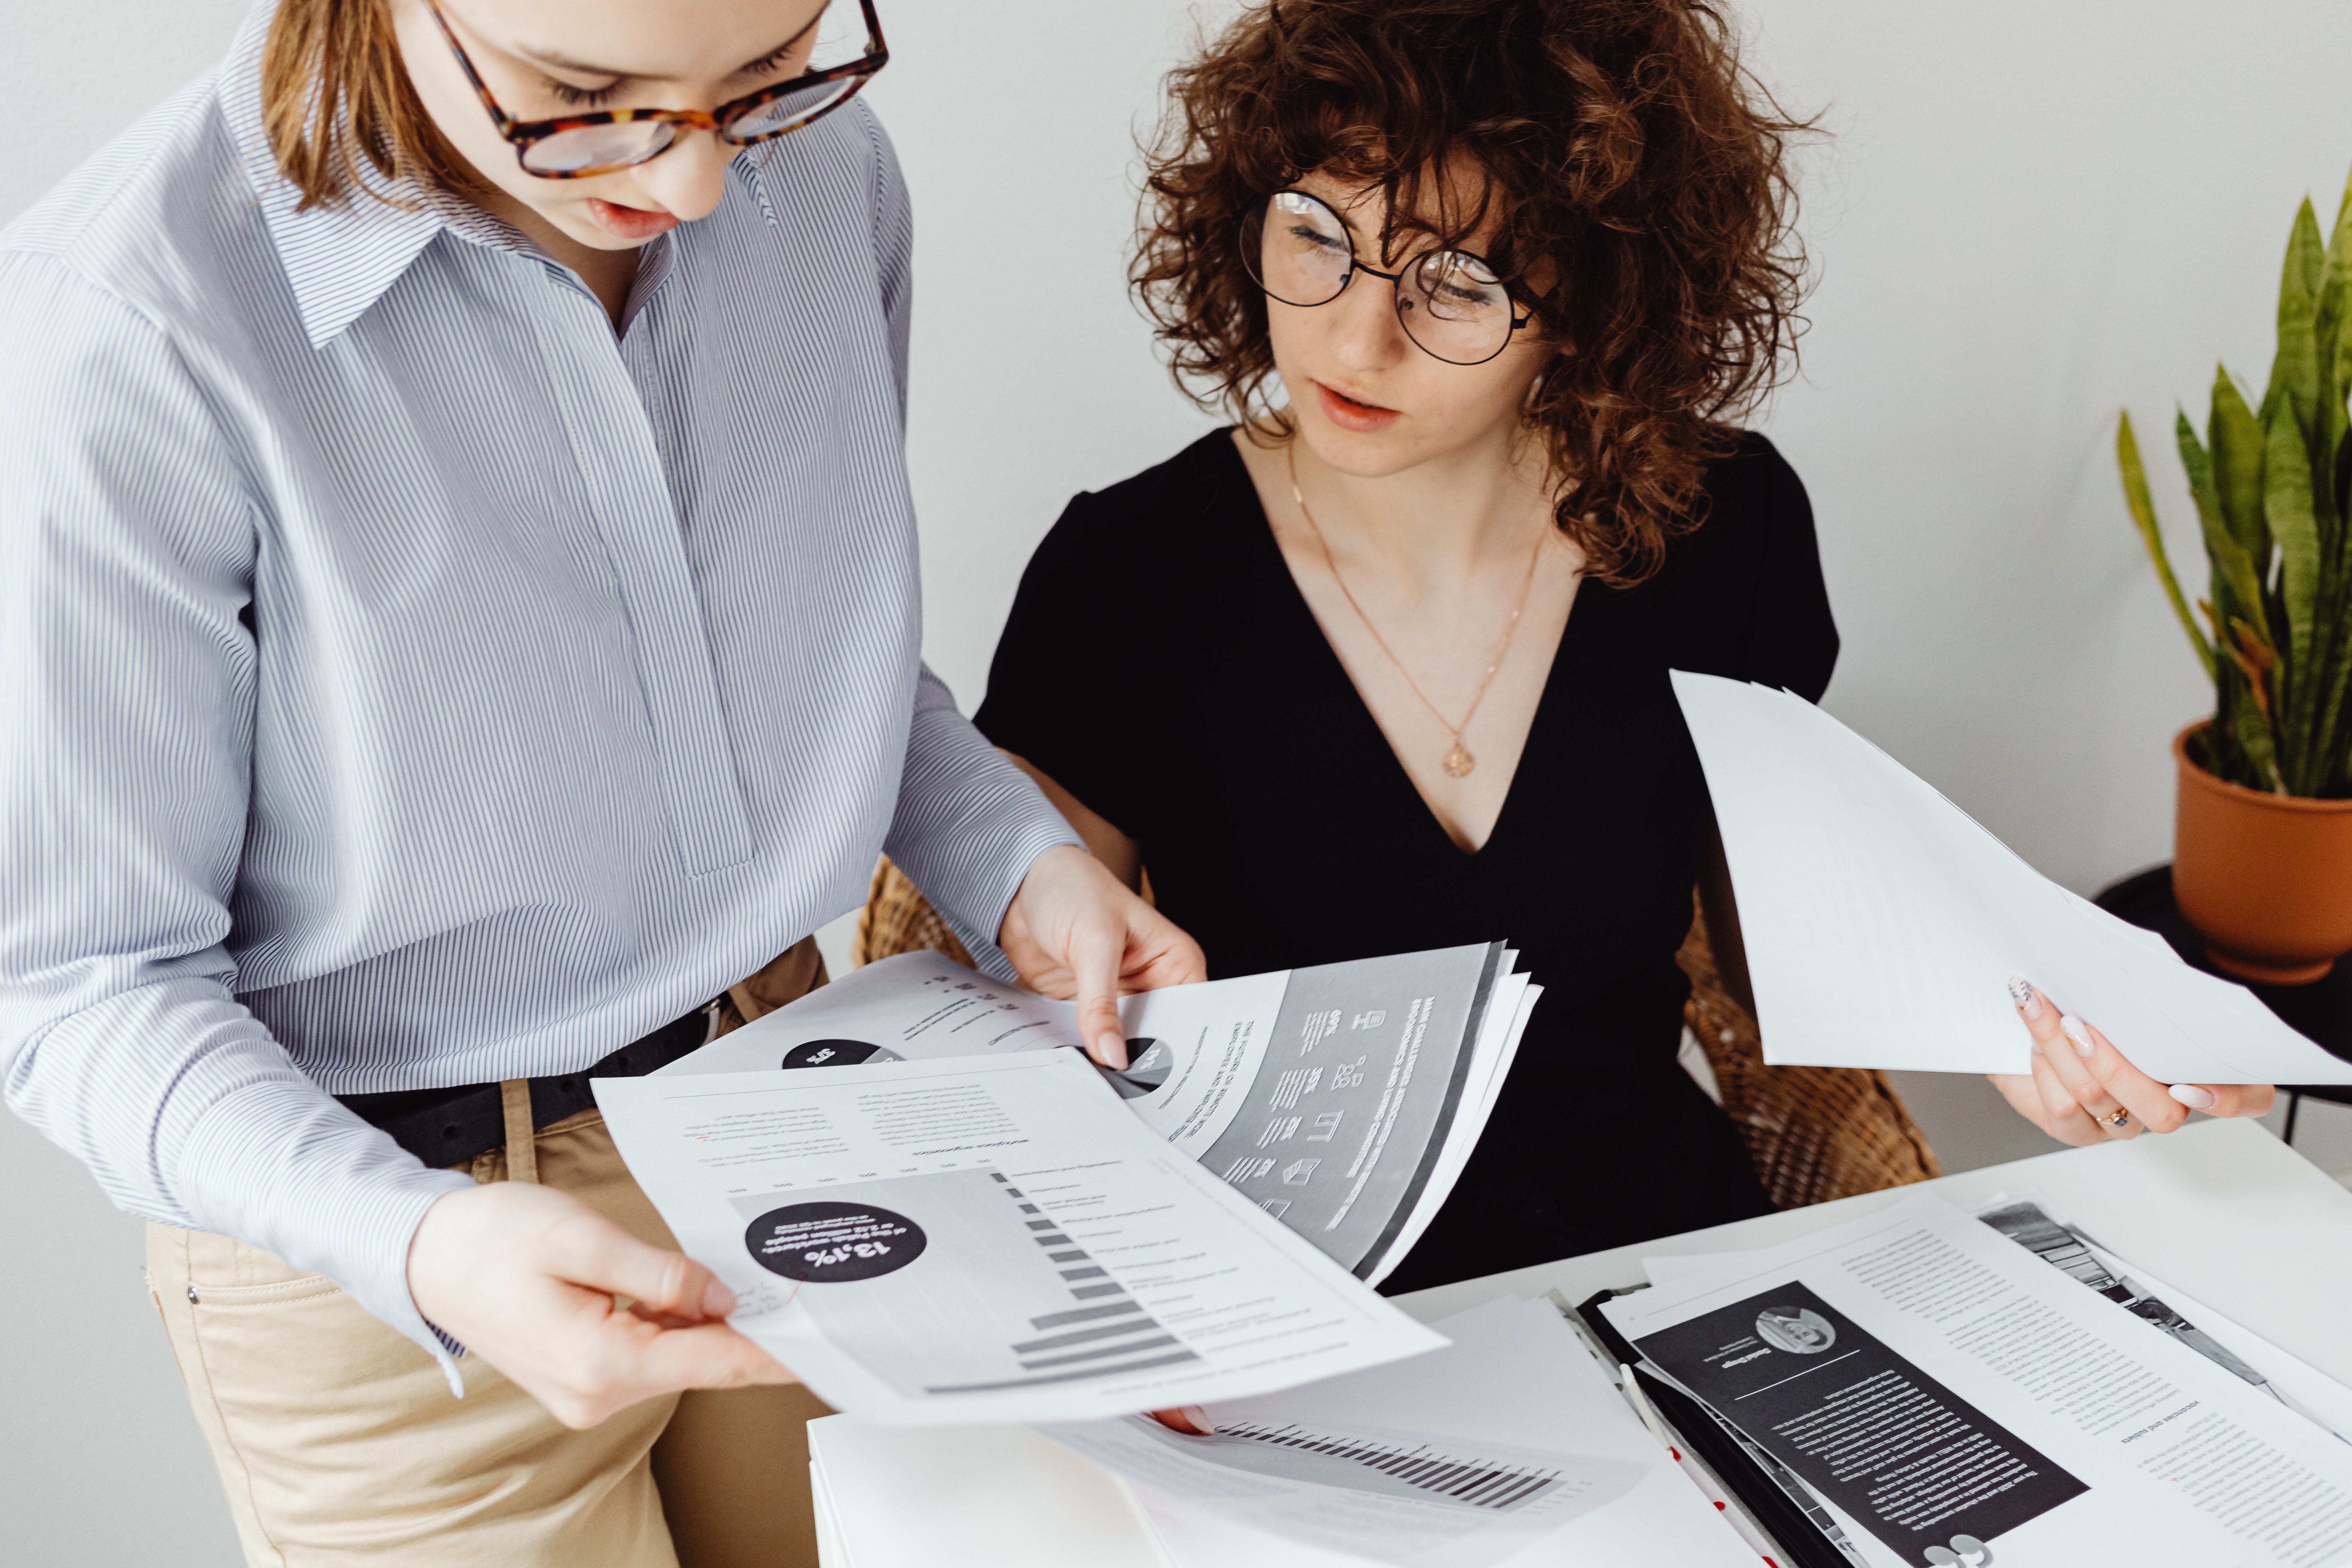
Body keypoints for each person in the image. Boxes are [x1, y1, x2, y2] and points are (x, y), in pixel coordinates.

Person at [0, 0, 1199, 1562]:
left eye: (762, 77)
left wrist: (1015, 860)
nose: (695, 183)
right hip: (392, 1243)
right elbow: (80, 986)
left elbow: (810, 655)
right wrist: (419, 1245)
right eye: (582, 95)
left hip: (796, 1108)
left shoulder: (828, 175)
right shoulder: (124, 326)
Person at [974, 0, 2273, 1304]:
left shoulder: (1722, 526)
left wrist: (2023, 1024)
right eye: (1315, 235)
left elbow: (1776, 953)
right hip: (1287, 1308)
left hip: (1660, 1275)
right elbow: (1032, 1025)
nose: (1352, 340)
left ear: (1592, 302)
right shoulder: (1129, 575)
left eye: (1458, 283)